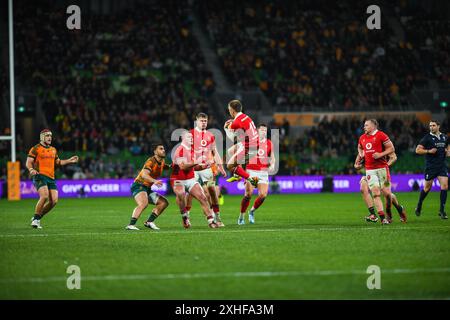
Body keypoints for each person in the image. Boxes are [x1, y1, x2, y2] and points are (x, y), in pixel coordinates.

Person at [26, 129, 79, 229]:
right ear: (42, 137)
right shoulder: (35, 148)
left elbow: (58, 162)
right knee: (44, 196)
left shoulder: (53, 150)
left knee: (54, 201)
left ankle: (36, 217)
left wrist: (69, 161)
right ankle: (36, 220)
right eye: (47, 136)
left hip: (51, 177)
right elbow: (28, 161)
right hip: (39, 175)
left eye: (50, 135)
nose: (50, 137)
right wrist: (31, 169)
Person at [185, 113, 227, 227]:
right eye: (201, 120)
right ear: (196, 121)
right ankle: (187, 217)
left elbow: (215, 152)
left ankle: (217, 217)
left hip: (206, 169)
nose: (203, 122)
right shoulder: (190, 134)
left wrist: (221, 167)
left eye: (205, 121)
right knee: (189, 193)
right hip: (193, 168)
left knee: (212, 191)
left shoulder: (210, 135)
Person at [171, 132, 218, 229]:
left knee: (203, 197)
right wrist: (197, 161)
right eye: (189, 137)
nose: (192, 139)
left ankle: (211, 221)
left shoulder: (192, 150)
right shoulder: (179, 150)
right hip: (178, 179)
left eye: (192, 137)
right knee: (181, 194)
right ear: (183, 138)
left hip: (190, 179)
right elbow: (183, 166)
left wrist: (205, 166)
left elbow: (193, 167)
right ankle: (184, 216)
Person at [357, 119, 395, 224]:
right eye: (364, 125)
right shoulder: (362, 138)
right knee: (376, 193)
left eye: (366, 125)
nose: (364, 127)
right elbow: (359, 148)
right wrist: (361, 155)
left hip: (383, 170)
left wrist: (380, 155)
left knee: (387, 193)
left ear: (373, 126)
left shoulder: (381, 135)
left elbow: (391, 148)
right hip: (370, 171)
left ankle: (391, 211)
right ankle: (383, 218)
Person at [126, 144, 170, 230]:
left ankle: (149, 222)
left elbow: (164, 166)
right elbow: (144, 175)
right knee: (143, 203)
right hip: (139, 185)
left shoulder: (162, 161)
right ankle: (131, 225)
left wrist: (172, 166)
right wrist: (155, 181)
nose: (163, 150)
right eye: (161, 149)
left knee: (163, 202)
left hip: (147, 188)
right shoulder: (151, 161)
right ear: (155, 152)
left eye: (164, 149)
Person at [238, 124, 275, 225]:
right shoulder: (251, 141)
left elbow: (272, 157)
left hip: (263, 172)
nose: (264, 132)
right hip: (251, 171)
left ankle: (252, 211)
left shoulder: (269, 143)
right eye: (262, 130)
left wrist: (272, 165)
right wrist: (240, 168)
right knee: (248, 194)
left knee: (263, 195)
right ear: (257, 131)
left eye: (265, 130)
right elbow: (241, 154)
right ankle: (241, 216)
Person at [356, 152, 407, 223]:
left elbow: (394, 157)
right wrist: (359, 165)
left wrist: (385, 166)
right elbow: (356, 164)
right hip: (370, 174)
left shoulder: (383, 143)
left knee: (387, 195)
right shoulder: (365, 145)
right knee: (363, 187)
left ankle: (399, 209)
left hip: (383, 174)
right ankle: (373, 214)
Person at [415, 120, 449, 219]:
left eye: (433, 125)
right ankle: (419, 204)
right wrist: (429, 151)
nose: (431, 127)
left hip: (442, 166)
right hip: (431, 167)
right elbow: (417, 150)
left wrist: (448, 151)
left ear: (438, 126)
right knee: (427, 188)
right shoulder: (427, 138)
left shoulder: (444, 137)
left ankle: (442, 211)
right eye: (430, 126)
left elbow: (447, 146)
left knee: (445, 186)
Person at [224, 100, 259, 187]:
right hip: (253, 144)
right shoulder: (246, 117)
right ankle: (238, 175)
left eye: (229, 110)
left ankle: (251, 179)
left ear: (232, 110)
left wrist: (226, 128)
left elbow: (232, 138)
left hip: (249, 148)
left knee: (229, 166)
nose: (229, 112)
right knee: (231, 151)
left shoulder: (236, 122)